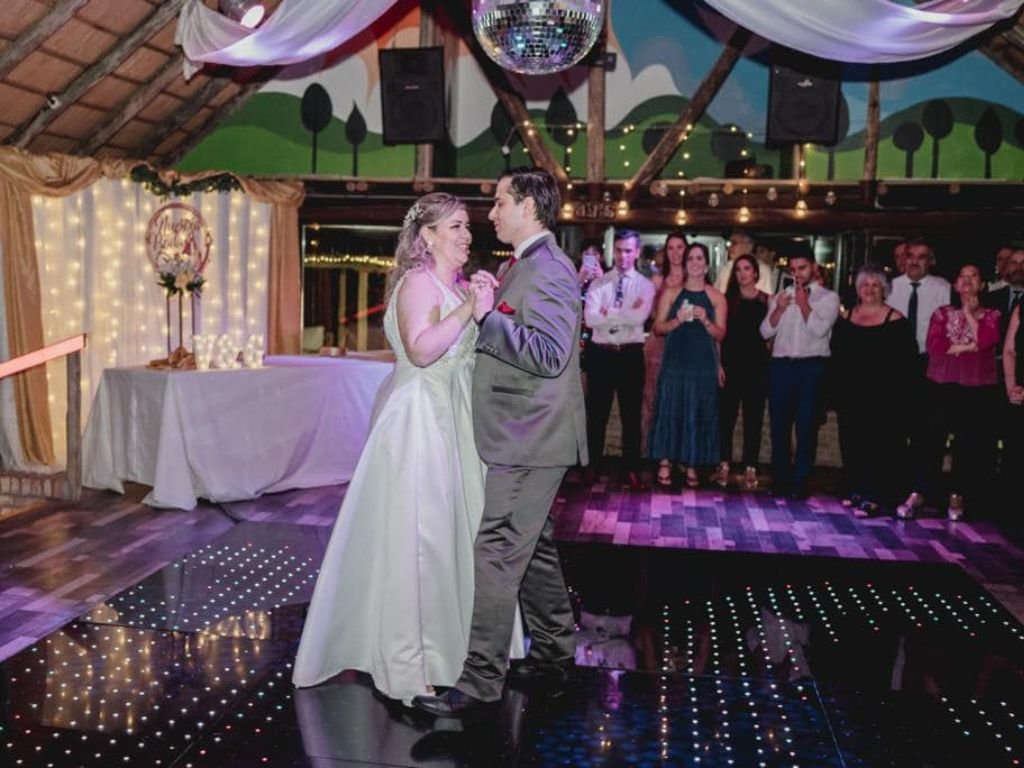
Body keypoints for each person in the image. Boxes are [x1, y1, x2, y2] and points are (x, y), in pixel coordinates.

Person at [292, 193, 522, 704]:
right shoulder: (418, 283)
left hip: (452, 417)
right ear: (427, 237)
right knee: (419, 537)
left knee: (450, 534)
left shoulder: (455, 285)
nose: (467, 235)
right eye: (456, 226)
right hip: (420, 419)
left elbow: (466, 355)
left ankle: (451, 649)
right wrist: (468, 309)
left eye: (467, 226)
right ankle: (405, 663)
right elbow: (420, 350)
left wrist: (481, 307)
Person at [413, 167, 588, 717]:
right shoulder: (523, 265)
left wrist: (489, 318)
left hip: (531, 435)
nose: (490, 214)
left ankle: (480, 681)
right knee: (533, 548)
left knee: (496, 549)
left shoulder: (550, 268)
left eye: (499, 203)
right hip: (522, 432)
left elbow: (549, 354)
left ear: (529, 207)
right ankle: (555, 655)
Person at [902, 264, 1000, 521]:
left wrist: (968, 314)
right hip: (940, 383)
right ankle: (920, 492)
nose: (967, 281)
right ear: (955, 285)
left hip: (976, 387)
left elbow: (986, 341)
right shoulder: (942, 313)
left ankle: (957, 495)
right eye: (962, 276)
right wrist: (969, 346)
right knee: (929, 440)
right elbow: (935, 345)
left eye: (973, 276)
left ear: (982, 284)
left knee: (968, 444)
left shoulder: (992, 314)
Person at [831, 264, 916, 516]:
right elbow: (837, 356)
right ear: (857, 289)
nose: (869, 289)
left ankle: (875, 496)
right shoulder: (846, 318)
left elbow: (906, 364)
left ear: (884, 289)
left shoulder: (896, 320)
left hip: (883, 397)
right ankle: (856, 489)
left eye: (875, 285)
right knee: (852, 442)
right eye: (865, 285)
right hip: (851, 393)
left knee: (879, 445)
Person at [760, 249, 840, 500]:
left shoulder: (828, 297)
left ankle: (800, 482)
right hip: (781, 366)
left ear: (814, 267)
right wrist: (778, 309)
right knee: (779, 426)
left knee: (807, 427)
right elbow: (764, 332)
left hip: (811, 367)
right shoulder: (781, 297)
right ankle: (780, 480)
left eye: (802, 268)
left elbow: (818, 330)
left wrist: (804, 303)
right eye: (793, 270)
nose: (797, 274)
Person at [648, 242, 727, 489]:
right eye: (690, 258)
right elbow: (657, 328)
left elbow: (721, 334)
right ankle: (664, 462)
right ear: (684, 265)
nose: (694, 263)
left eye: (699, 258)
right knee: (670, 409)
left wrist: (706, 321)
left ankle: (692, 463)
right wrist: (677, 320)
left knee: (698, 412)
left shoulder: (717, 297)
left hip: (703, 363)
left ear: (707, 265)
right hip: (675, 360)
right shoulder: (671, 293)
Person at [583, 229, 656, 488]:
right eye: (619, 250)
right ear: (612, 251)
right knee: (596, 415)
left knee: (631, 417)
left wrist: (607, 312)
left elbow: (639, 317)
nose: (623, 256)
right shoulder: (598, 283)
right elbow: (590, 319)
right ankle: (591, 467)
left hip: (630, 354)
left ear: (636, 252)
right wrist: (623, 312)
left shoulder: (645, 286)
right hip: (601, 353)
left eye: (628, 250)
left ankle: (631, 470)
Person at [716, 253, 770, 491]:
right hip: (730, 365)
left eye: (747, 268)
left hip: (756, 366)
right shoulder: (727, 301)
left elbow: (771, 335)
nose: (742, 273)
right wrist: (718, 364)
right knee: (726, 418)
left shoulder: (767, 300)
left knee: (753, 419)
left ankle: (751, 467)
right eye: (738, 269)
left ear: (755, 272)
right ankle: (723, 463)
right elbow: (719, 336)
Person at [641, 232, 687, 457]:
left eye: (680, 247)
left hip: (685, 348)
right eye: (671, 248)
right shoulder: (657, 281)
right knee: (653, 401)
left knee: (681, 402)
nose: (675, 252)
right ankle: (651, 453)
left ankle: (678, 454)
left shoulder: (696, 280)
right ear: (665, 252)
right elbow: (649, 315)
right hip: (658, 345)